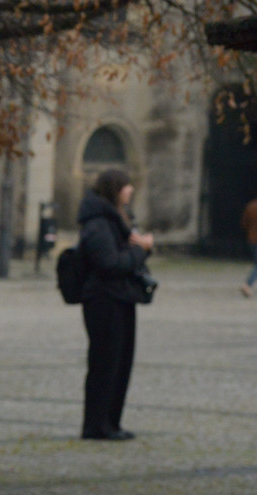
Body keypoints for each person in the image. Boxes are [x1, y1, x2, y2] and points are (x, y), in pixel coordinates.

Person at [78, 169, 154, 441]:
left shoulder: (118, 219)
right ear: (114, 189)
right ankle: (96, 424)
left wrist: (142, 248)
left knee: (121, 363)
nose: (131, 190)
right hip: (103, 299)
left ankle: (111, 421)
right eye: (126, 186)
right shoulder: (98, 223)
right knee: (105, 363)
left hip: (122, 297)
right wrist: (139, 250)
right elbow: (109, 263)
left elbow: (127, 255)